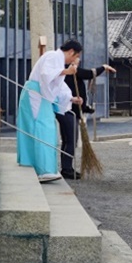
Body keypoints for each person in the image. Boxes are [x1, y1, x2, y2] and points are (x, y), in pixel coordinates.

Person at [17, 39, 83, 182]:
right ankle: (44, 170)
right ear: (71, 52)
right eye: (76, 56)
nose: (75, 60)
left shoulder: (55, 59)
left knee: (37, 128)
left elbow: (56, 86)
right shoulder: (53, 56)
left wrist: (71, 98)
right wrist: (67, 71)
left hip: (38, 95)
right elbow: (46, 76)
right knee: (44, 129)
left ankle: (33, 164)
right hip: (37, 96)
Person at [62, 57, 115, 179]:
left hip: (69, 110)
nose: (79, 60)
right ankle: (66, 169)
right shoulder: (71, 70)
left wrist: (85, 107)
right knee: (70, 140)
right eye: (76, 57)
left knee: (68, 140)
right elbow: (89, 74)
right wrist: (104, 67)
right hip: (69, 111)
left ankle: (67, 167)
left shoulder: (68, 71)